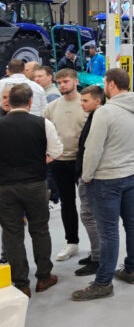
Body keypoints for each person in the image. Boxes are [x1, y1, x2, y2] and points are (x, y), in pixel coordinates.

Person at [72, 68, 134, 301]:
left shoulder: (105, 113)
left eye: (105, 82)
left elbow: (93, 149)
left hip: (106, 179)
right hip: (133, 173)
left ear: (111, 85)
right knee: (132, 222)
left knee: (108, 231)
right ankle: (131, 269)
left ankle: (103, 282)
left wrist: (87, 176)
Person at [0, 83, 63, 297]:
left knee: (12, 234)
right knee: (39, 230)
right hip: (35, 184)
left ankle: (20, 284)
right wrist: (39, 160)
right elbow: (56, 150)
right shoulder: (42, 123)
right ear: (29, 102)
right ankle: (44, 277)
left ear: (8, 102)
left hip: (5, 187)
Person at [45, 68, 88, 262]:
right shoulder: (52, 107)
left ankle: (98, 245)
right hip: (60, 162)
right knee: (67, 204)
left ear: (75, 81)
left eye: (66, 81)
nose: (62, 85)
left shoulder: (86, 104)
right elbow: (45, 134)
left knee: (90, 205)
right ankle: (72, 242)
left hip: (83, 161)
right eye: (59, 82)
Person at [73, 85, 105, 277]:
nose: (82, 104)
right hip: (87, 174)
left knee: (89, 217)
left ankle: (98, 258)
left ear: (97, 100)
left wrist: (86, 175)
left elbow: (92, 149)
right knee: (91, 216)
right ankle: (96, 253)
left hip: (90, 176)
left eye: (85, 101)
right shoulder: (94, 117)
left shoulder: (98, 119)